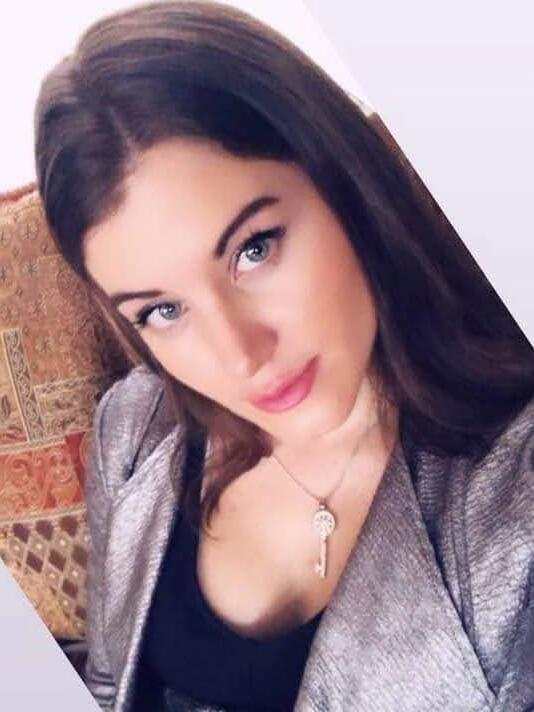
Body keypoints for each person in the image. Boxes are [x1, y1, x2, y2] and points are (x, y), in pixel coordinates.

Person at [33, 2, 534, 711]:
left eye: (254, 249)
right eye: (163, 311)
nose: (240, 356)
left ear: (344, 183)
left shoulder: (511, 494)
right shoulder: (132, 431)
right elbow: (111, 685)